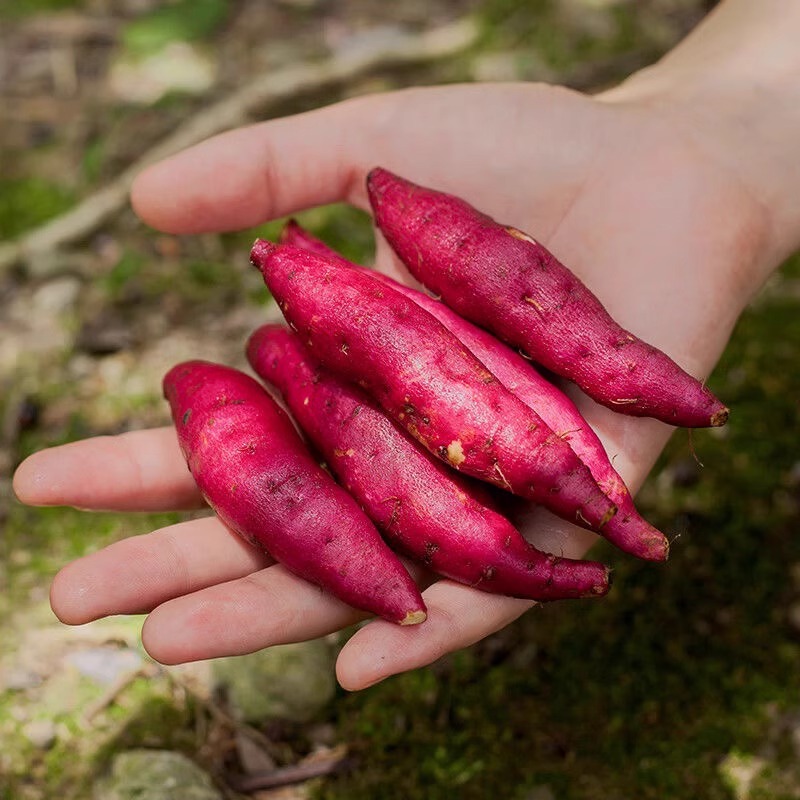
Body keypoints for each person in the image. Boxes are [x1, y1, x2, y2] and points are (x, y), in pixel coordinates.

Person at [12, 0, 800, 691]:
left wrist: (720, 138)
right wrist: (716, 127)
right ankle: (599, 534)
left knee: (503, 419)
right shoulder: (308, 326)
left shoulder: (347, 283)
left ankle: (607, 527)